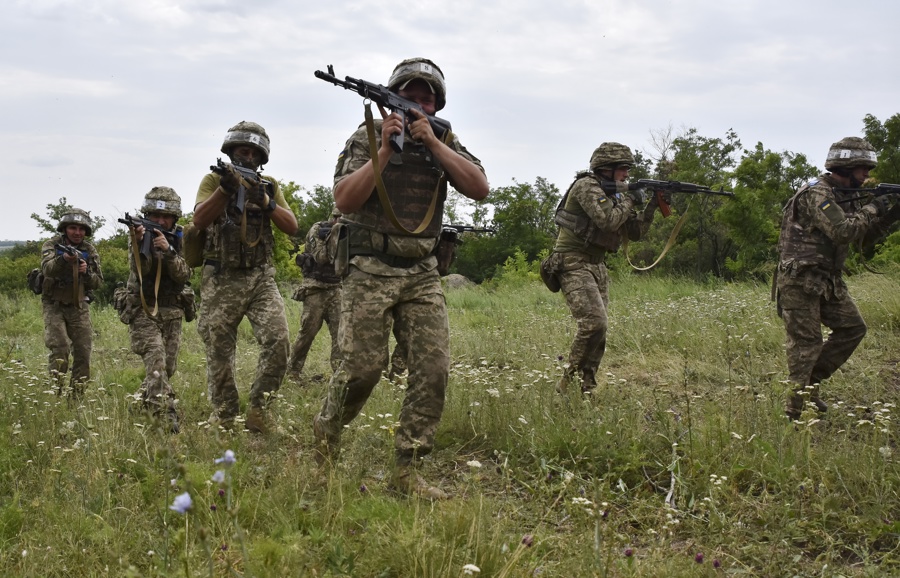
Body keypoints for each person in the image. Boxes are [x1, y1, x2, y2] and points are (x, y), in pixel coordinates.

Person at [313, 57, 489, 499]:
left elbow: (480, 187)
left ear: (438, 103)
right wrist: (387, 149)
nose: (419, 102)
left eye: (427, 97)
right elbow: (345, 199)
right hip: (369, 267)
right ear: (395, 96)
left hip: (422, 272)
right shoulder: (368, 137)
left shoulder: (444, 138)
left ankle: (407, 469)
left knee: (432, 369)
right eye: (411, 94)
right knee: (362, 371)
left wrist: (434, 143)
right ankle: (326, 437)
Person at [775, 136, 897, 420]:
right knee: (807, 344)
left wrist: (890, 215)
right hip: (799, 280)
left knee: (853, 328)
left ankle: (809, 385)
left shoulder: (844, 197)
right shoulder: (818, 194)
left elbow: (863, 240)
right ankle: (793, 412)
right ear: (847, 166)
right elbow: (843, 231)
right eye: (863, 169)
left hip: (827, 280)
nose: (867, 175)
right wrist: (876, 207)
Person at [193, 121, 298, 433]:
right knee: (219, 351)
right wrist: (226, 190)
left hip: (259, 277)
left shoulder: (270, 185)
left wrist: (265, 201)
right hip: (221, 277)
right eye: (242, 149)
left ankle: (259, 412)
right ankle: (224, 416)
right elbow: (199, 219)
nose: (248, 154)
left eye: (253, 151)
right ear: (230, 150)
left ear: (262, 156)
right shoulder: (214, 180)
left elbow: (291, 226)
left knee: (279, 341)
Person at [545, 143, 663, 395]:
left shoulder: (616, 195)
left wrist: (653, 203)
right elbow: (607, 221)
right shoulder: (586, 186)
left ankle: (586, 387)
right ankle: (566, 385)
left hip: (596, 266)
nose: (627, 175)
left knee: (600, 330)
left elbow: (635, 232)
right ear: (605, 169)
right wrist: (632, 198)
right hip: (572, 262)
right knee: (593, 324)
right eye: (623, 169)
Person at [119, 187, 192, 433]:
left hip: (171, 309)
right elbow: (142, 270)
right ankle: (164, 415)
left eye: (166, 217)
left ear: (174, 218)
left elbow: (184, 276)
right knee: (157, 360)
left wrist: (169, 252)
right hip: (143, 309)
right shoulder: (139, 236)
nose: (161, 221)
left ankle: (138, 403)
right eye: (155, 216)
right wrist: (141, 243)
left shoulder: (180, 238)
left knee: (166, 369)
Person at [40, 208, 103, 397]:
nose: (77, 233)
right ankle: (56, 395)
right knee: (59, 348)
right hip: (54, 304)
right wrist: (64, 260)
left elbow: (98, 282)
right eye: (73, 228)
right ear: (65, 229)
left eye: (82, 229)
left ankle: (77, 397)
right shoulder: (51, 245)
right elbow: (48, 269)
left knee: (83, 352)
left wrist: (86, 272)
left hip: (79, 305)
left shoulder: (89, 250)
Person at [287, 208, 343, 382]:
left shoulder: (350, 233)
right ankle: (293, 371)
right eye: (337, 217)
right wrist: (333, 237)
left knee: (340, 334)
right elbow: (320, 257)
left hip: (336, 288)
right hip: (315, 288)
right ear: (333, 217)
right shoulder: (318, 230)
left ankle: (339, 374)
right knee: (308, 332)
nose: (340, 220)